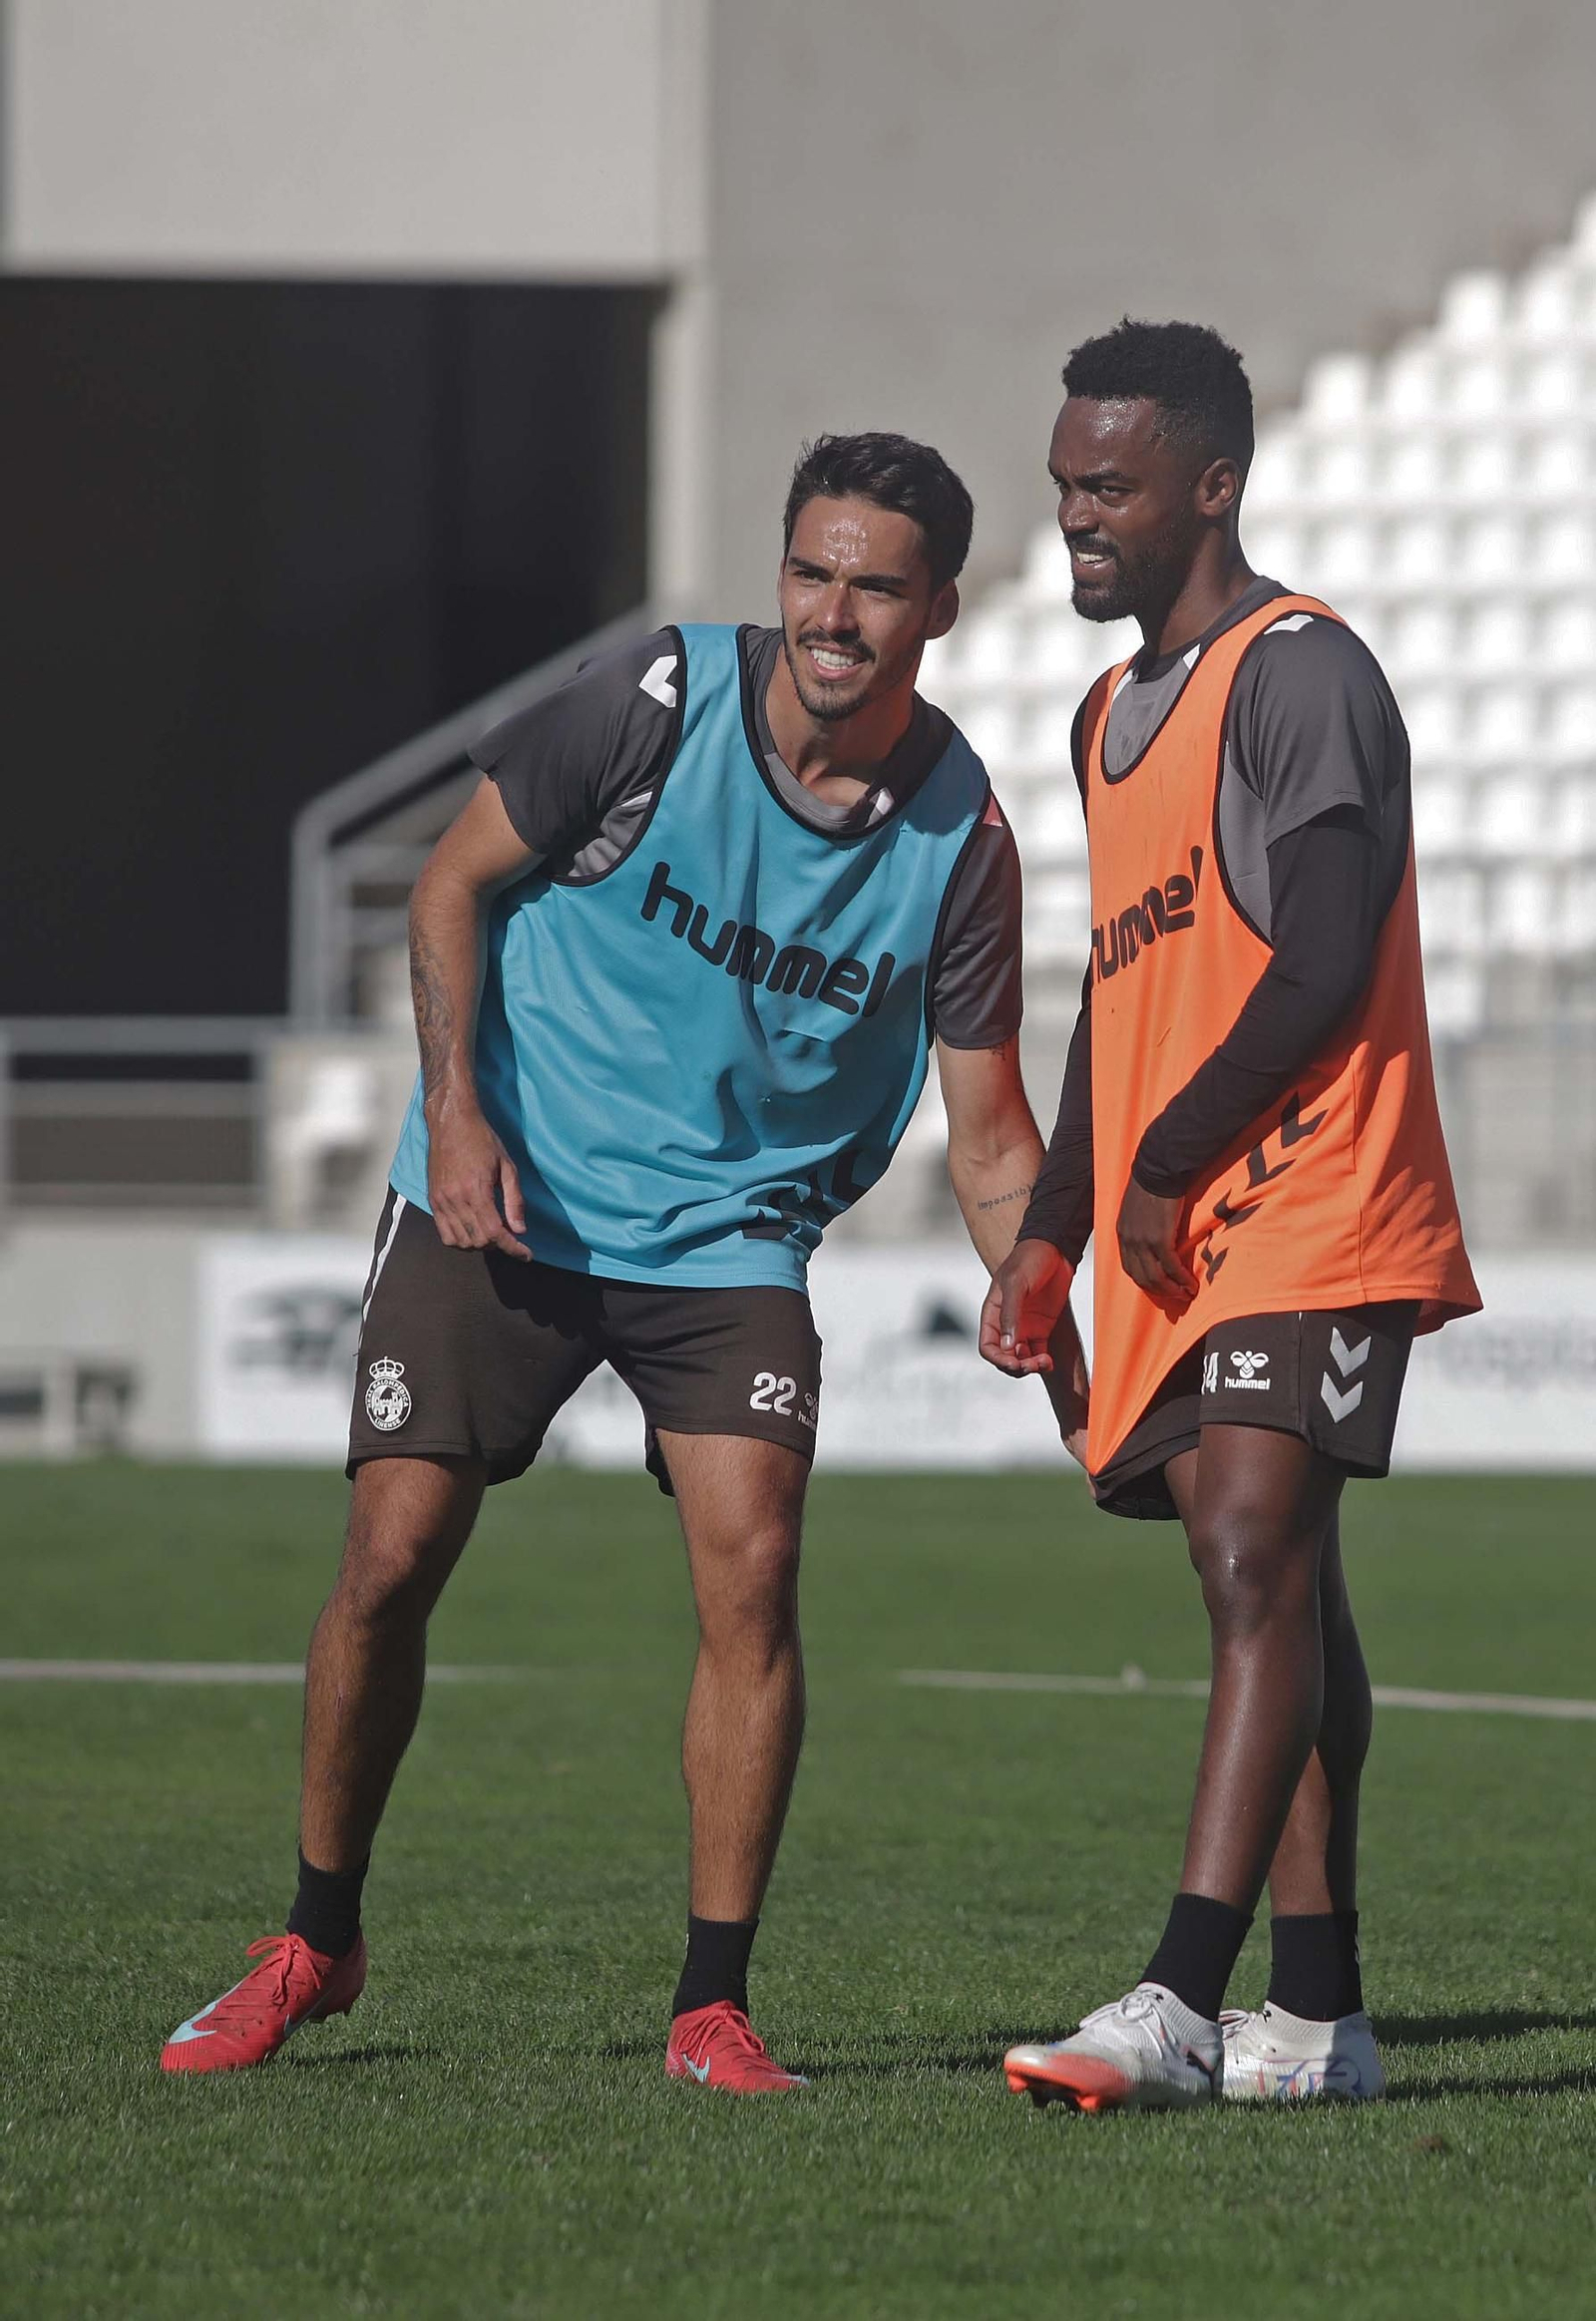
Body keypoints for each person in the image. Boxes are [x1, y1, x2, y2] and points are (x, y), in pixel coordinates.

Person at [162, 432, 1051, 2092]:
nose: (832, 611)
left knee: (756, 1573)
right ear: (781, 571)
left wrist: (1043, 1289)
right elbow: (447, 888)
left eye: (873, 584)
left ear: (936, 606)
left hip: (728, 1237)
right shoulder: (649, 699)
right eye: (810, 570)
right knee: (391, 1556)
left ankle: (711, 2006)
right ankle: (314, 1939)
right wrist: (453, 1110)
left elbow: (991, 1133)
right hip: (511, 1188)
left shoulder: (963, 841)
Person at [983, 321, 1480, 2113]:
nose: (1073, 519)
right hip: (1180, 1214)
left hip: (1318, 1186)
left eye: (1106, 486)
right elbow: (1127, 993)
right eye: (1061, 487)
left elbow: (1327, 953)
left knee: (1254, 1558)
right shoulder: (1108, 715)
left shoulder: (1304, 669)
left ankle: (1179, 2000)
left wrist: (1176, 1157)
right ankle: (1321, 2019)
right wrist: (1052, 1223)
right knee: (1283, 1595)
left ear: (1213, 482)